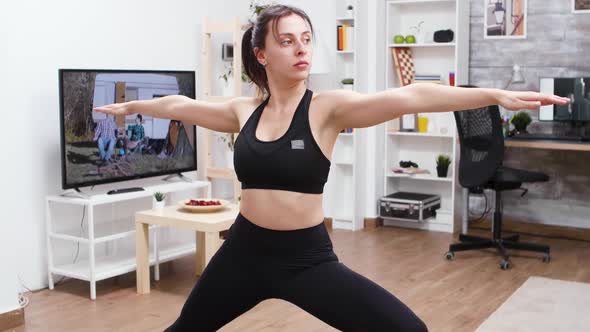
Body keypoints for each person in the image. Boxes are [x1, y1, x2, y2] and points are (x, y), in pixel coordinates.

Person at [94, 5, 569, 331]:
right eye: (287, 41)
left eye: (306, 39)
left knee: (407, 328)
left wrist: (492, 95)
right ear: (261, 54)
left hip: (306, 259)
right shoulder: (243, 111)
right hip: (243, 253)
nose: (302, 48)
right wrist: (135, 108)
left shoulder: (327, 109)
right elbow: (183, 104)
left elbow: (411, 95)